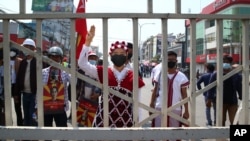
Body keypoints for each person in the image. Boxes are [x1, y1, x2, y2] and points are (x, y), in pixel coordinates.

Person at [78, 25, 145, 127]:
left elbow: (138, 104)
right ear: (111, 55)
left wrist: (138, 124)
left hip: (125, 123)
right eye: (116, 53)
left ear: (126, 55)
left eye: (122, 53)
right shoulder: (102, 71)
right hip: (103, 121)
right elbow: (82, 64)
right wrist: (87, 43)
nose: (119, 55)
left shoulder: (133, 76)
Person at [150, 51, 189, 130]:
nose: (170, 61)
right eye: (168, 59)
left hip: (175, 109)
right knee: (158, 132)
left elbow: (184, 94)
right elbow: (155, 90)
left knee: (174, 133)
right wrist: (151, 105)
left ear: (176, 61)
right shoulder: (160, 74)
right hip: (159, 107)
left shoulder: (181, 77)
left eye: (173, 60)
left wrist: (186, 110)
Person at [207, 55, 242, 126]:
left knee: (235, 121)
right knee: (220, 122)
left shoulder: (235, 74)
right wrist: (209, 99)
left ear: (231, 63)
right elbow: (211, 87)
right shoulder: (216, 74)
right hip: (219, 102)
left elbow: (239, 87)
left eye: (227, 62)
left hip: (232, 101)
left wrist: (242, 96)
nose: (225, 63)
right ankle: (220, 137)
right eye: (223, 62)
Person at [42, 46, 70, 127]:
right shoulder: (43, 72)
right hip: (46, 106)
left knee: (63, 131)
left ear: (60, 58)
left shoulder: (65, 72)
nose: (54, 59)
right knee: (47, 131)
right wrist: (37, 106)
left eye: (57, 57)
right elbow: (39, 91)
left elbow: (74, 82)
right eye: (52, 56)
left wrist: (71, 69)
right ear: (49, 58)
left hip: (60, 107)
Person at [14, 38, 37, 126]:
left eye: (29, 47)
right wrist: (16, 93)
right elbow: (18, 78)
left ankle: (33, 137)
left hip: (34, 95)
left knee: (33, 116)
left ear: (33, 49)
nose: (26, 49)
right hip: (25, 94)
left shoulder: (38, 62)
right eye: (25, 47)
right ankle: (26, 134)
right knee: (26, 115)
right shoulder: (23, 62)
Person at [10, 48, 23, 126]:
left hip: (15, 86)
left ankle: (20, 123)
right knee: (5, 106)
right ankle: (7, 123)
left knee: (17, 106)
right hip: (6, 85)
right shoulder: (4, 60)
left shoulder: (19, 61)